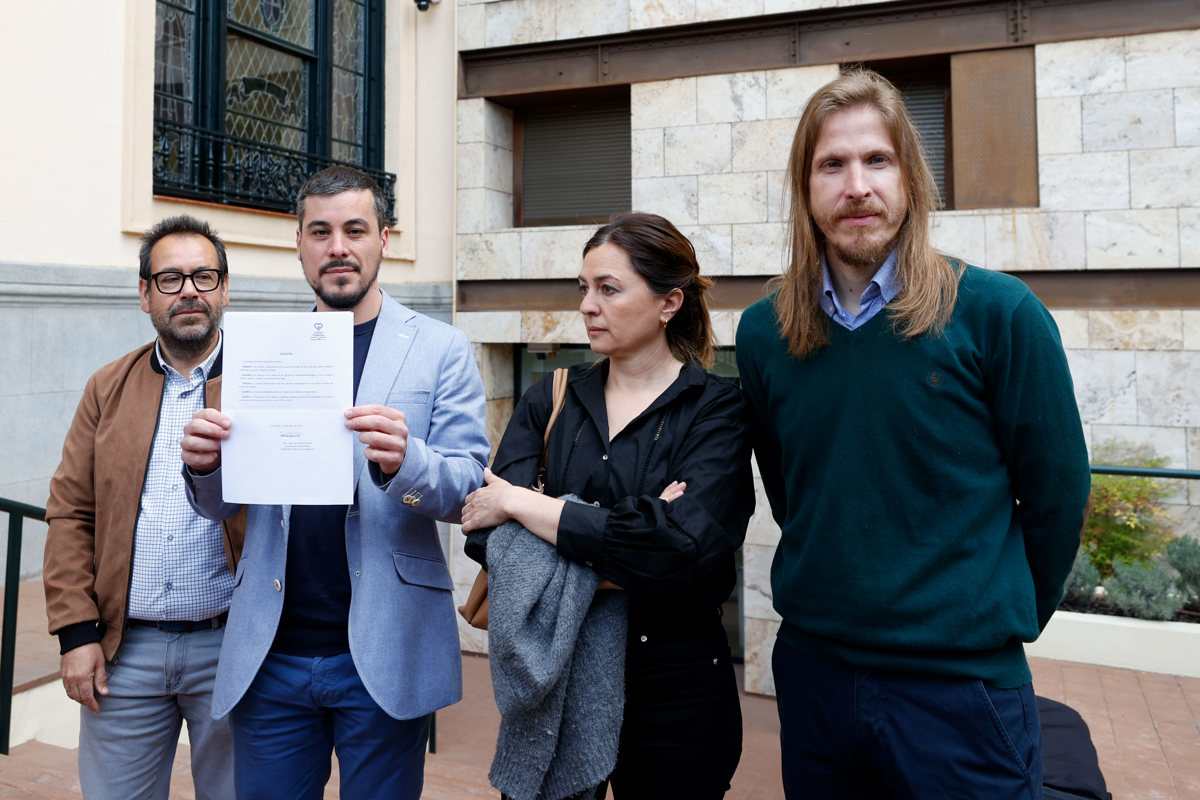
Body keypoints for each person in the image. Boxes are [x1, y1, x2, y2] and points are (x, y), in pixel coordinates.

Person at [735, 69, 1091, 798]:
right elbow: (791, 486)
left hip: (961, 692)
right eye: (832, 164)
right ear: (805, 189)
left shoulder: (999, 314)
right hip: (816, 681)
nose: (856, 185)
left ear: (911, 178)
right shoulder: (766, 332)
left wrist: (987, 616)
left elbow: (1057, 496)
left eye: (877, 160)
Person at [179, 165, 489, 800]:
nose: (337, 247)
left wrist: (408, 462)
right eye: (319, 232)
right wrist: (205, 468)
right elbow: (221, 506)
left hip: (385, 644)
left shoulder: (439, 347)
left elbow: (467, 490)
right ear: (298, 242)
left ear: (384, 239)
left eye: (354, 229)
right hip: (272, 650)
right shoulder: (263, 348)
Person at [461, 212, 754, 799]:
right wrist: (636, 533)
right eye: (584, 289)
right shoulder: (551, 398)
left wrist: (528, 507)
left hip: (677, 694)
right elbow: (489, 538)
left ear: (669, 302)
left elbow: (684, 552)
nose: (588, 306)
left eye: (609, 289)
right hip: (557, 688)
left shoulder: (716, 409)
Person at [43, 215, 241, 800]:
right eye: (170, 278)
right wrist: (76, 634)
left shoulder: (261, 380)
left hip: (230, 647)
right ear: (144, 295)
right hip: (124, 651)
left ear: (224, 290)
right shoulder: (108, 387)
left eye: (204, 277)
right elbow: (71, 511)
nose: (188, 291)